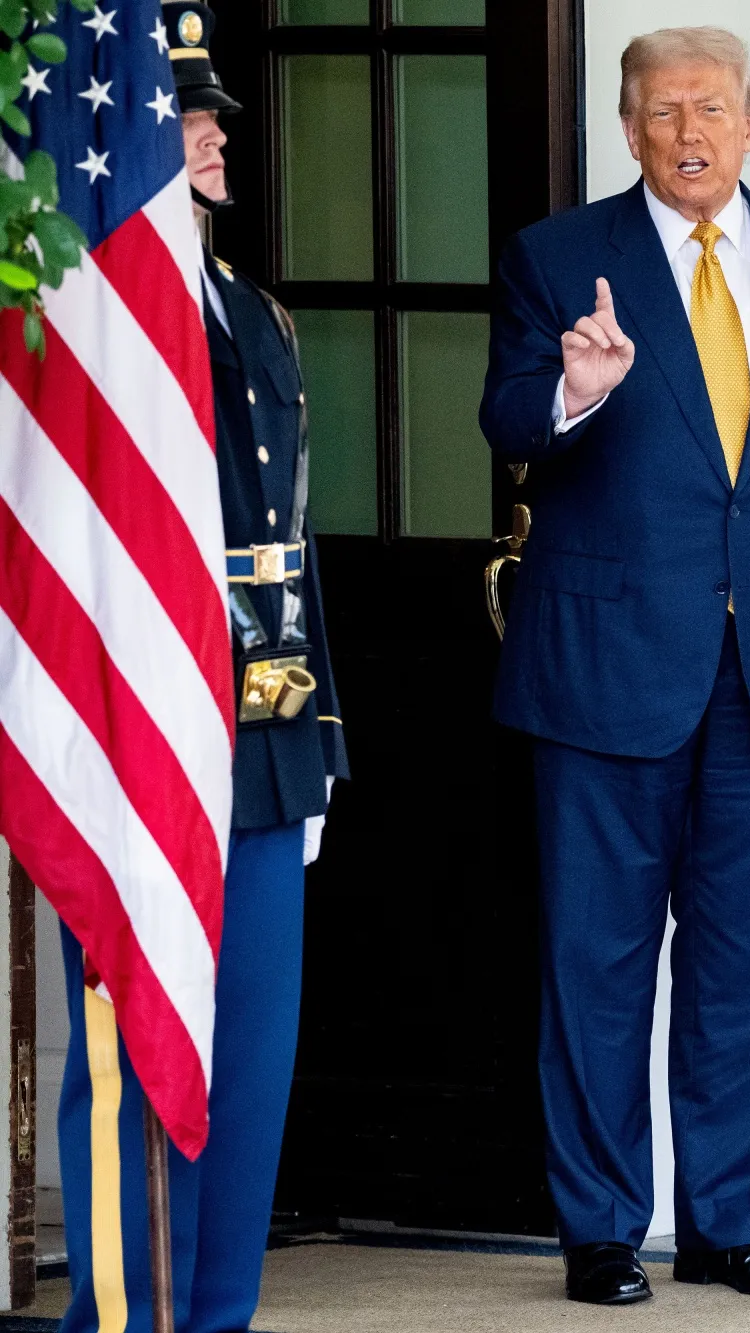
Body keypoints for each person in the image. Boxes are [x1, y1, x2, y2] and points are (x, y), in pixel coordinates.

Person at [478, 26, 750, 1307]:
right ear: (628, 128)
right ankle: (601, 1228)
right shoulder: (557, 258)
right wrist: (576, 391)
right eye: (661, 111)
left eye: (711, 108)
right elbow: (503, 419)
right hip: (603, 667)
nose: (688, 132)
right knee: (596, 961)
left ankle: (735, 1224)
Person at [54, 5, 350, 1328]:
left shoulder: (257, 315)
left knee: (250, 1065)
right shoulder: (83, 322)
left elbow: (291, 547)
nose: (218, 133)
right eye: (186, 116)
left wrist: (318, 742)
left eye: (214, 113)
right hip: (140, 741)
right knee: (137, 1065)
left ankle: (218, 1314)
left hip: (266, 743)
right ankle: (121, 1320)